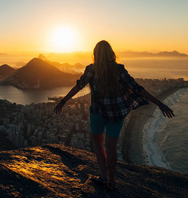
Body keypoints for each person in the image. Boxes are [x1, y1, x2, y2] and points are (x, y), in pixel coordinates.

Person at [54, 40, 174, 191]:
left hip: (97, 112)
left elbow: (78, 86)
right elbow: (137, 88)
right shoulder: (119, 70)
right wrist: (160, 104)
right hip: (117, 113)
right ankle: (112, 181)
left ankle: (103, 177)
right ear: (111, 53)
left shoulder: (91, 70)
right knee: (111, 148)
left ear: (95, 54)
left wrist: (63, 101)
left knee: (98, 144)